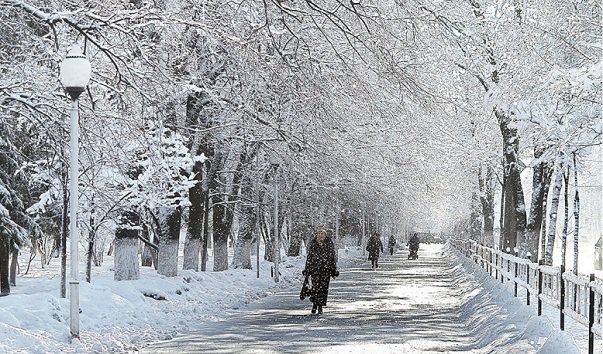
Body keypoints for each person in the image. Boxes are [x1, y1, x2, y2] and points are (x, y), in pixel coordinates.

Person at [303, 227, 339, 314]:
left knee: (323, 288)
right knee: (315, 287)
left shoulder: (329, 244)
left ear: (325, 235)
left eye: (322, 234)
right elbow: (309, 258)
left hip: (325, 270)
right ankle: (316, 305)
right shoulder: (313, 244)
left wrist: (333, 270)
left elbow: (332, 258)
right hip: (315, 270)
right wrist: (307, 269)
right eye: (319, 233)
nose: (320, 235)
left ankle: (319, 305)